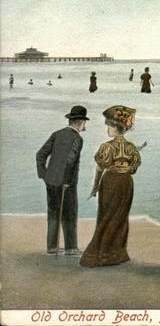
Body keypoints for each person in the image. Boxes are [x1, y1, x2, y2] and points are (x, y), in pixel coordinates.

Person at [80, 105, 141, 267]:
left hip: (111, 181)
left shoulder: (107, 147)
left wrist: (95, 187)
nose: (107, 128)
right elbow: (134, 167)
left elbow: (100, 168)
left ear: (117, 128)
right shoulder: (132, 147)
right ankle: (118, 254)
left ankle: (100, 254)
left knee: (106, 215)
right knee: (120, 217)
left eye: (109, 125)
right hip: (127, 183)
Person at [36, 105, 88, 256]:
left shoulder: (56, 134)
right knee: (69, 214)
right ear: (80, 122)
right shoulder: (78, 138)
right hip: (67, 183)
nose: (85, 125)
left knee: (53, 214)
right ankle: (70, 248)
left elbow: (40, 155)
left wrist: (44, 175)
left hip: (51, 181)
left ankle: (51, 247)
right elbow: (71, 161)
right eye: (84, 122)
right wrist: (66, 181)